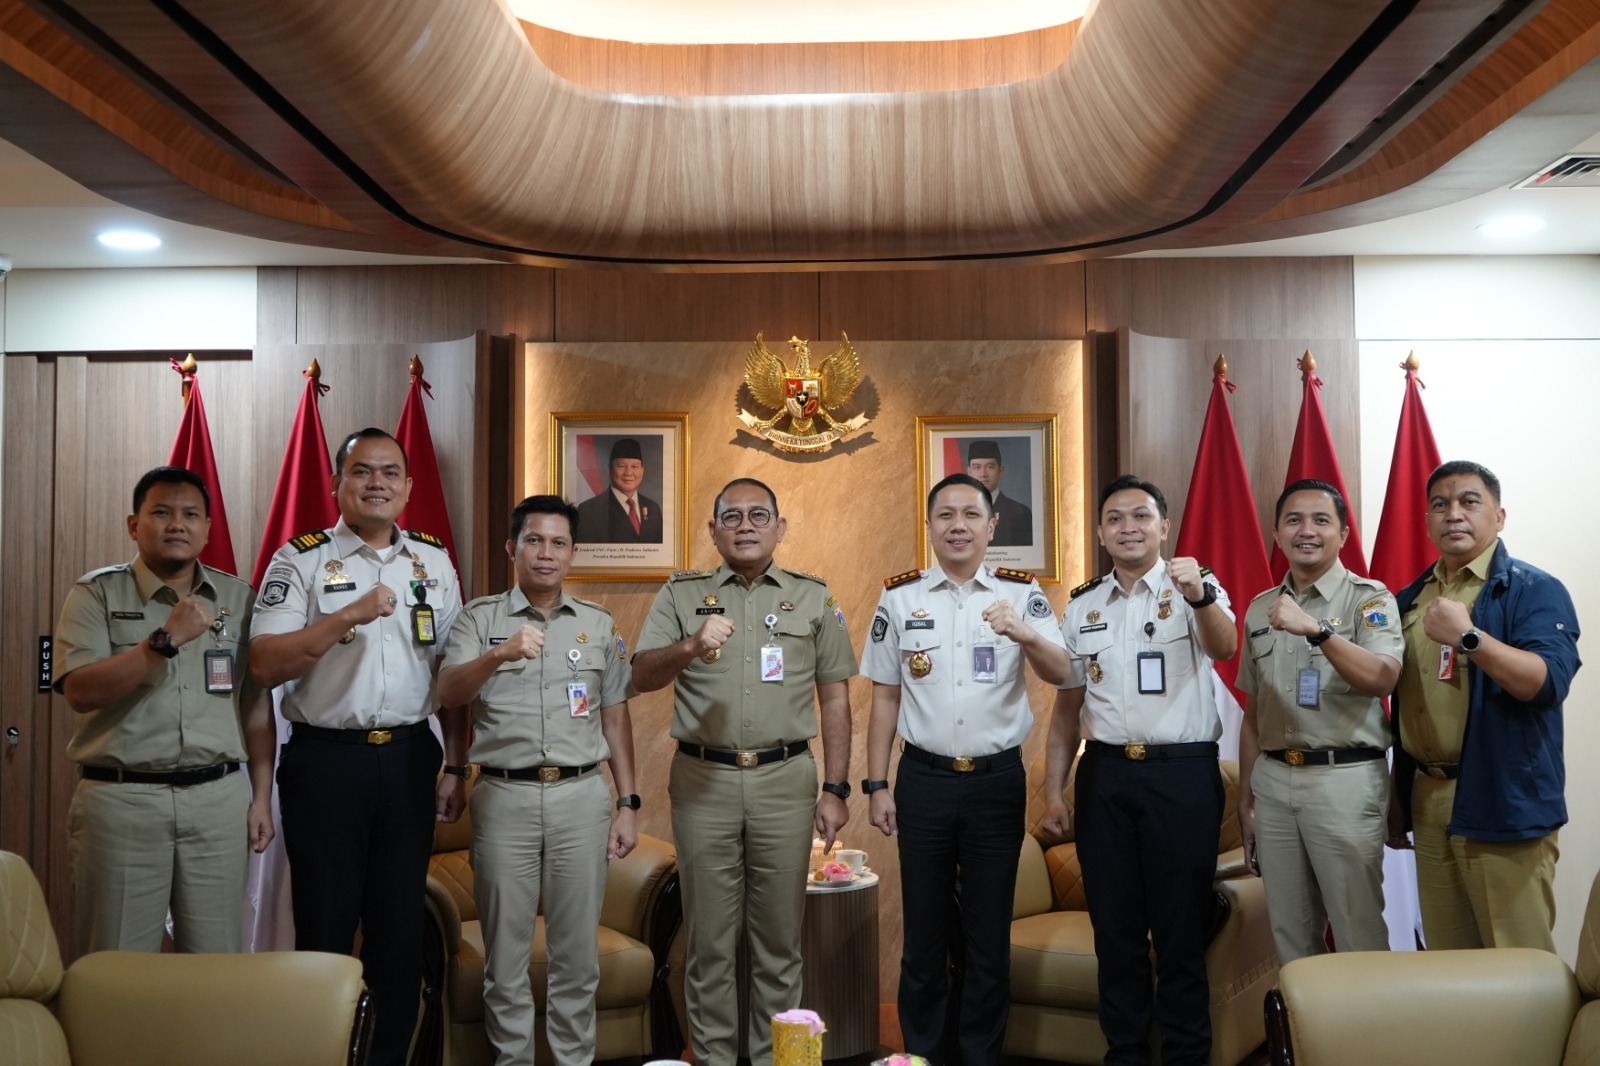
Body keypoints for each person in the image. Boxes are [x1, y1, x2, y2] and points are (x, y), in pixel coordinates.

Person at [250, 428, 461, 1066]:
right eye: (362, 472)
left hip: (408, 759)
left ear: (408, 486)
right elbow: (262, 664)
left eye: (390, 473)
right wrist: (346, 615)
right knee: (325, 927)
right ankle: (321, 1054)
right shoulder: (302, 559)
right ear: (337, 483)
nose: (377, 483)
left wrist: (456, 760)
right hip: (325, 762)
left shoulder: (432, 559)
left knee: (398, 932)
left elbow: (455, 674)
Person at [632, 478, 855, 1066]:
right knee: (709, 943)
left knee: (780, 943)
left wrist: (836, 787)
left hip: (786, 781)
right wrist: (690, 645)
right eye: (732, 516)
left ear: (780, 527)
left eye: (760, 515)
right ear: (714, 530)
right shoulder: (682, 594)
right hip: (703, 782)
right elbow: (642, 675)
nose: (746, 525)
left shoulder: (812, 596)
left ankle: (780, 1060)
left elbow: (835, 697)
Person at [861, 472, 1069, 1065]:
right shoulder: (901, 597)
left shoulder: (1021, 594)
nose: (958, 525)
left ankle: (981, 1056)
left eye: (970, 515)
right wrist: (876, 784)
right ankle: (923, 1054)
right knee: (923, 936)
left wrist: (1024, 632)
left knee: (986, 936)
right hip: (922, 780)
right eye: (945, 515)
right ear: (929, 527)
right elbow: (884, 696)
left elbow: (1063, 674)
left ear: (991, 526)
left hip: (995, 782)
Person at [436, 495, 639, 1066]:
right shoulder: (480, 618)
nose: (545, 553)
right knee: (506, 957)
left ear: (573, 553)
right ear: (512, 548)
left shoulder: (597, 624)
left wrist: (628, 801)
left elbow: (616, 715)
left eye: (557, 543)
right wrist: (499, 653)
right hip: (504, 796)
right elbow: (449, 693)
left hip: (582, 796)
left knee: (578, 957)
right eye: (533, 540)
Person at [1041, 474, 1236, 1066]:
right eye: (1116, 518)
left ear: (1164, 526)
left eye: (1141, 516)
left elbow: (1225, 647)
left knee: (1180, 932)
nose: (1129, 527)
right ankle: (1124, 1053)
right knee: (1116, 932)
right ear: (1101, 532)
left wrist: (1199, 594)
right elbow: (1066, 707)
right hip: (1105, 777)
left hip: (1181, 777)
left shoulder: (1195, 586)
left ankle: (1185, 1056)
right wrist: (1054, 789)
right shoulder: (1083, 604)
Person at [54, 466, 274, 954]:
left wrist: (260, 798)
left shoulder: (237, 598)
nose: (178, 524)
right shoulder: (97, 593)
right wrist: (164, 641)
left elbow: (256, 705)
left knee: (216, 965)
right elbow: (80, 691)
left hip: (217, 802)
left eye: (191, 514)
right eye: (162, 512)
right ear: (134, 525)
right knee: (116, 965)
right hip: (123, 801)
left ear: (208, 527)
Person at [1391, 460, 1580, 952]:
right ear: (1427, 521)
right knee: (1451, 968)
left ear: (1499, 516)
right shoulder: (1409, 599)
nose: (1454, 513)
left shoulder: (1533, 589)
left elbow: (1547, 683)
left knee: (1517, 965)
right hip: (1428, 797)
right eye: (1440, 504)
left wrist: (1469, 637)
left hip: (1501, 796)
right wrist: (1397, 800)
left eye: (1469, 501)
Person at [1235, 479, 1401, 964]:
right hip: (1274, 780)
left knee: (1358, 932)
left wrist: (1319, 630)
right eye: (1293, 520)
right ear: (1276, 533)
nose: (1306, 531)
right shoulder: (1259, 608)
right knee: (1290, 935)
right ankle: (1309, 1041)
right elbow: (1252, 715)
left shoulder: (1368, 601)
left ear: (1344, 533)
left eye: (1321, 520)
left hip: (1343, 780)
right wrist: (1245, 803)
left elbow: (1383, 678)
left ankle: (1369, 1042)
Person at [575, 438, 663, 544]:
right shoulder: (588, 510)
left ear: (642, 470)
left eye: (634, 466)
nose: (628, 473)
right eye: (621, 466)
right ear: (610, 469)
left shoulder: (653, 509)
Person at [965, 440, 1032, 547]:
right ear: (969, 472)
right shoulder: (958, 512)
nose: (983, 474)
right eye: (977, 467)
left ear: (1000, 471)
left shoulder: (1020, 513)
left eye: (990, 467)